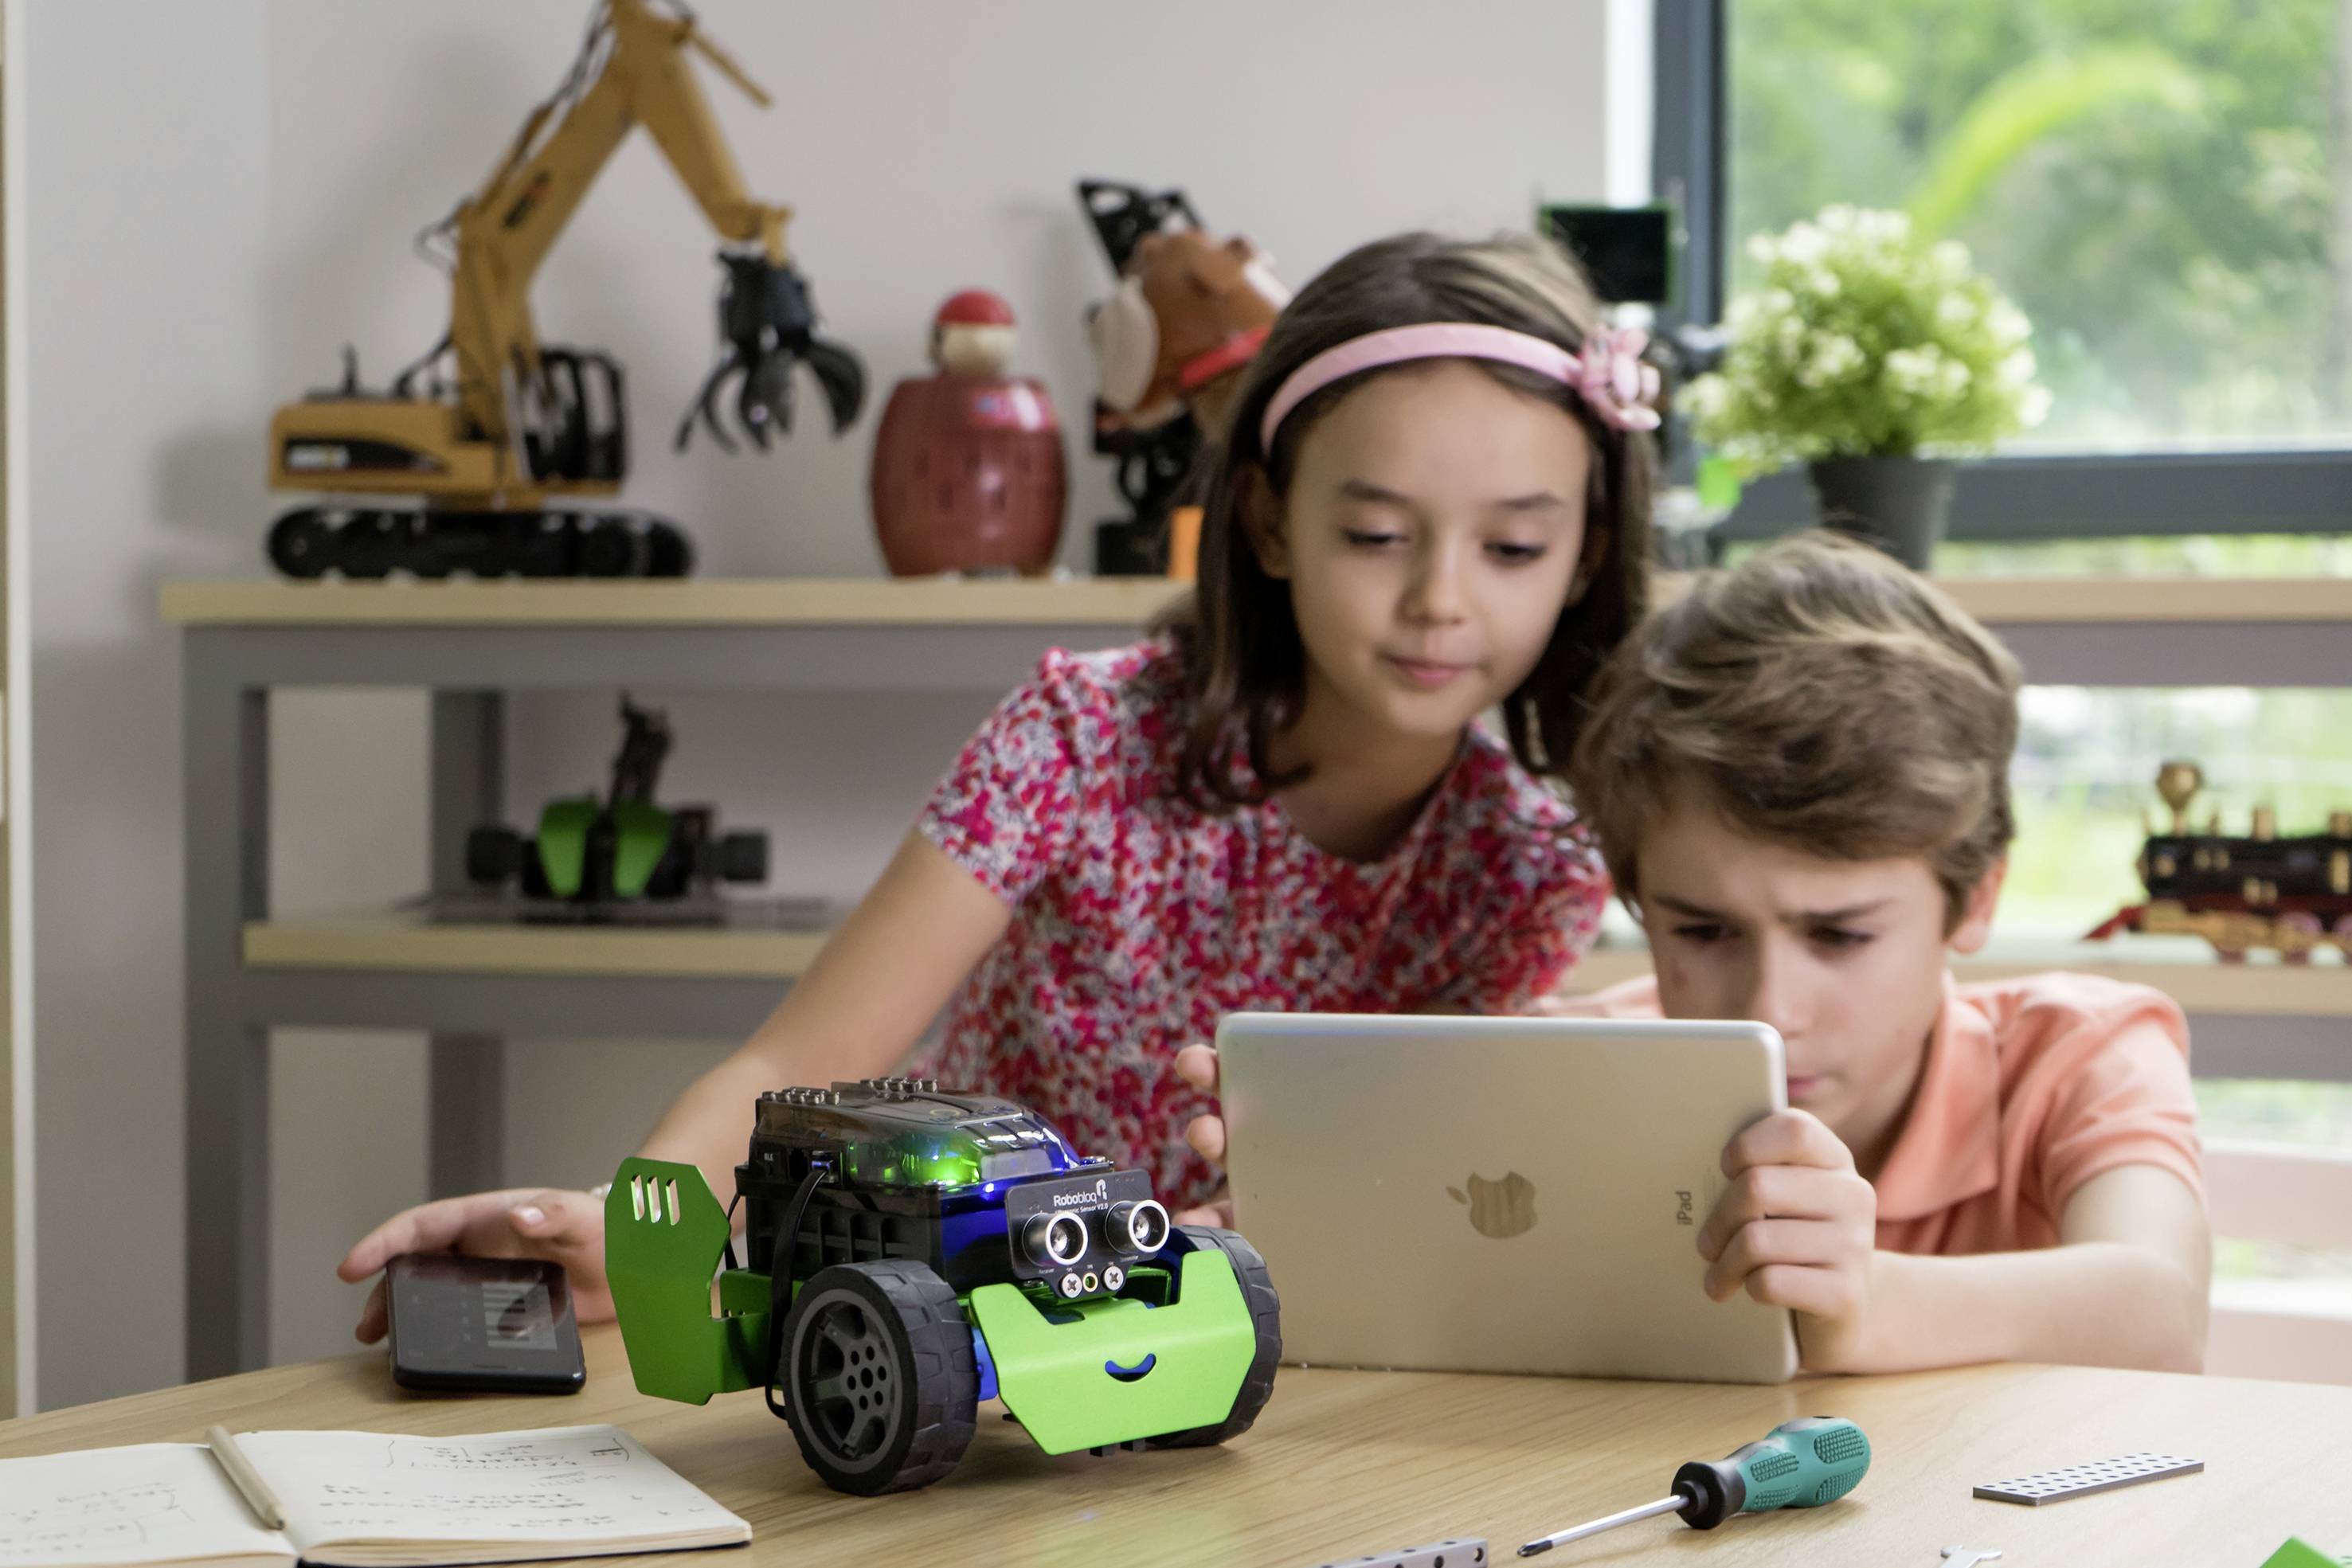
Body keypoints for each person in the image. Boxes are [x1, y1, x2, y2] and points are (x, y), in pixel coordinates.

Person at [336, 229, 1662, 1343]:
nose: (1439, 599)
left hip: (1259, 1375)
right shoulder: (1085, 734)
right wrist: (636, 1236)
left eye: (1512, 546)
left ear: (1585, 552)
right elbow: (801, 1062)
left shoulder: (1533, 859)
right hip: (940, 1329)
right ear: (1266, 520)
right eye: (1373, 533)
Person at [1183, 534, 2209, 1373]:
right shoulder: (1559, 1079)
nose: (1771, 1006)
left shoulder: (2079, 1053)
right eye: (1703, 931)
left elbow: (2162, 1312)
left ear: (1975, 898)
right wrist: (1314, 1249)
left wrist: (1864, 1301)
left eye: (1840, 935)